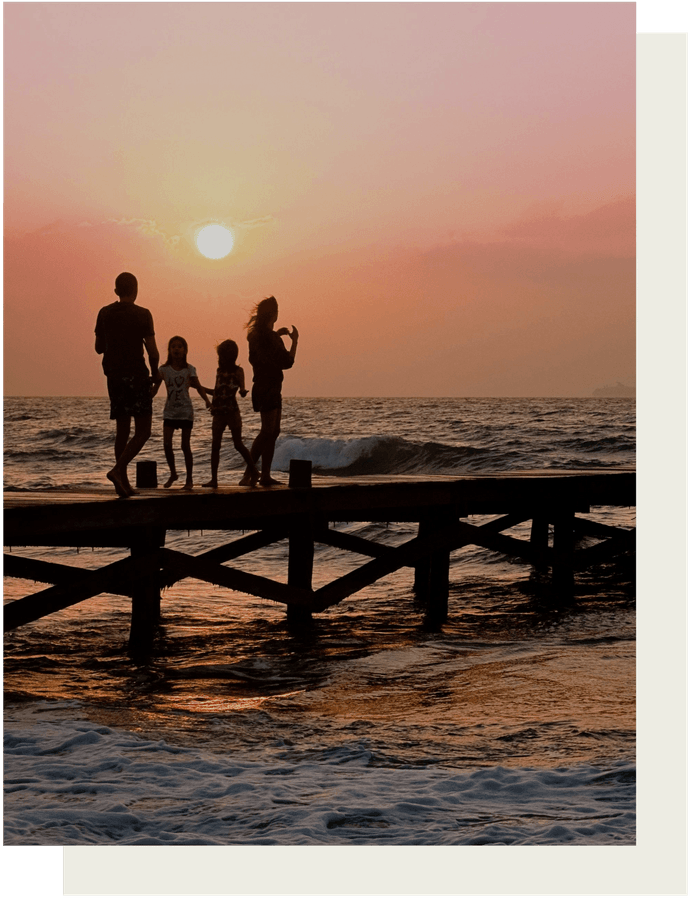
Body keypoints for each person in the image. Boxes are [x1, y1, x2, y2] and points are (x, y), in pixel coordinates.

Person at [95, 272, 161, 497]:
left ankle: (122, 484)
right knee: (143, 430)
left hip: (113, 376)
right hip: (137, 376)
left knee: (122, 429)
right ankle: (117, 470)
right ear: (136, 289)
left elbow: (98, 347)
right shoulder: (143, 314)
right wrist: (156, 375)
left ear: (116, 291)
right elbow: (152, 352)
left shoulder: (104, 313)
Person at [241, 295, 298, 487]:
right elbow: (287, 362)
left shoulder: (255, 336)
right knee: (267, 431)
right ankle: (250, 473)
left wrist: (277, 335)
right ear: (273, 314)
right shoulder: (270, 338)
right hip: (270, 387)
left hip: (263, 386)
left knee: (273, 431)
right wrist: (295, 342)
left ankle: (264, 474)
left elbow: (263, 354)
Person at [154, 336, 212, 490]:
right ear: (169, 350)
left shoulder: (189, 369)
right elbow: (154, 389)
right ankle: (173, 474)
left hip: (186, 412)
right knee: (166, 444)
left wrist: (207, 401)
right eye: (173, 346)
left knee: (185, 446)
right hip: (170, 412)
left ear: (185, 350)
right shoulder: (163, 370)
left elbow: (198, 387)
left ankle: (189, 480)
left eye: (180, 346)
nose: (176, 349)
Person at [202, 340, 259, 489]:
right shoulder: (219, 371)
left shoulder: (238, 371)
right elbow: (217, 392)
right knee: (215, 445)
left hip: (232, 411)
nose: (220, 358)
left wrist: (242, 391)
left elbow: (242, 390)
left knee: (238, 444)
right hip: (218, 412)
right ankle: (213, 479)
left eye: (221, 355)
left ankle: (254, 471)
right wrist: (199, 387)